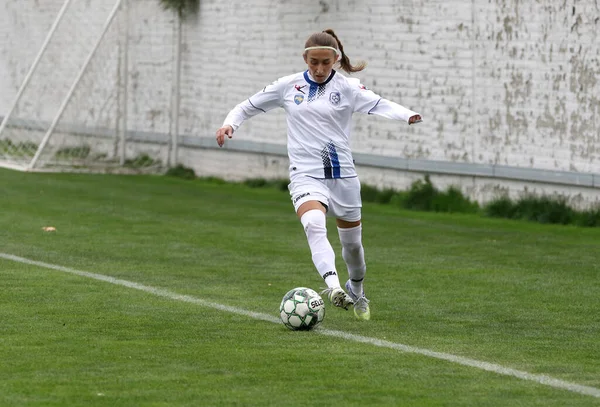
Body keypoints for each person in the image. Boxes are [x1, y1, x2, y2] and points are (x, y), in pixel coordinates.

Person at [216, 29, 422, 320]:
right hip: (306, 174)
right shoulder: (288, 86)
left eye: (326, 62)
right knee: (313, 223)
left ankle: (357, 289)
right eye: (314, 62)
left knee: (353, 247)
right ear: (305, 58)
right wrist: (230, 125)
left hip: (343, 176)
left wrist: (407, 114)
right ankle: (334, 287)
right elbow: (247, 106)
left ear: (336, 59)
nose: (320, 68)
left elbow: (379, 104)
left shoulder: (348, 88)